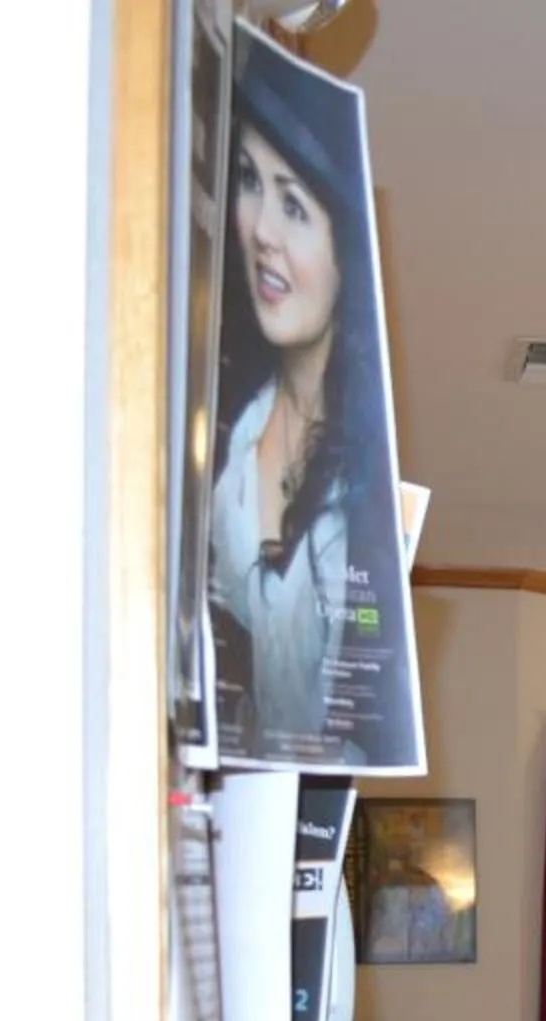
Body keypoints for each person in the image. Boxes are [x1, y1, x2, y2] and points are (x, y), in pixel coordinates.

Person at [208, 37, 398, 766]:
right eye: (250, 182)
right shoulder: (230, 439)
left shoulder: (365, 496)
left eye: (294, 204)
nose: (260, 230)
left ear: (346, 254)